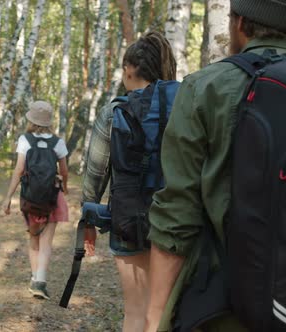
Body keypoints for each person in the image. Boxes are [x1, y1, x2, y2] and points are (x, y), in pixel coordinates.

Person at [144, 1, 286, 331]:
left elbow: (177, 216)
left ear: (239, 23)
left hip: (227, 307)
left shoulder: (207, 87)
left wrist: (154, 318)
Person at [81, 31, 177, 332]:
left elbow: (95, 173)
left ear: (129, 70)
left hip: (127, 219)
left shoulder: (113, 111)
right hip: (177, 220)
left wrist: (88, 220)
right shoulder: (185, 103)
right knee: (164, 314)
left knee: (136, 313)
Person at [2, 101, 69, 300]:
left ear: (31, 119)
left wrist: (8, 197)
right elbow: (64, 171)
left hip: (30, 198)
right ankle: (40, 281)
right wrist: (65, 186)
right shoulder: (58, 142)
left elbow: (19, 170)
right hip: (52, 198)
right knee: (46, 242)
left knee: (33, 240)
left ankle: (34, 279)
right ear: (49, 121)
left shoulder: (25, 140)